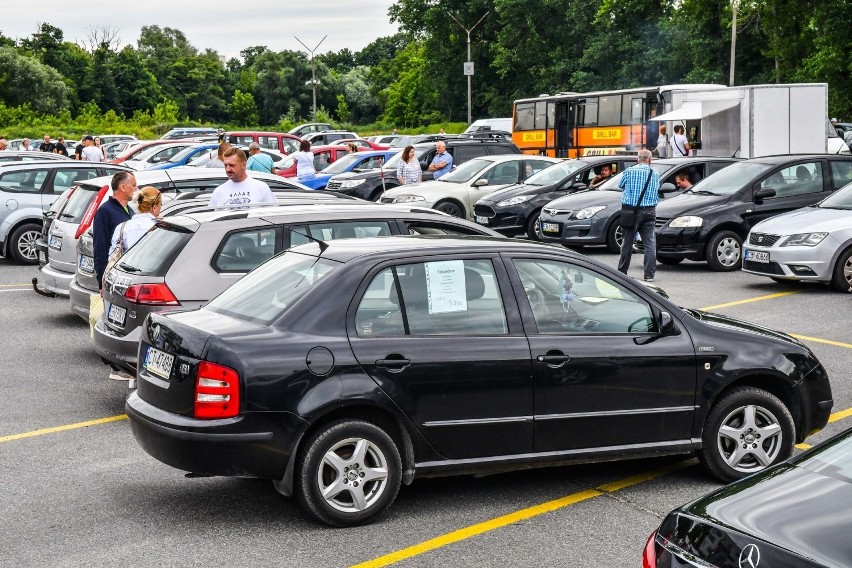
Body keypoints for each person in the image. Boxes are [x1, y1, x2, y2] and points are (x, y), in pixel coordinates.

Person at [617, 149, 661, 282]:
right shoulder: (655, 173)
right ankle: (649, 275)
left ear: (637, 159)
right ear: (650, 160)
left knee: (627, 242)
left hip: (631, 211)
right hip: (650, 211)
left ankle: (622, 272)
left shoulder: (629, 171)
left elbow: (620, 185)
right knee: (649, 243)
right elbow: (656, 190)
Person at [94, 171, 136, 290]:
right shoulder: (105, 212)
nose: (136, 188)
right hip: (111, 275)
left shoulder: (130, 210)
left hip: (126, 274)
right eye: (133, 185)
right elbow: (100, 247)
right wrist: (101, 281)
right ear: (123, 187)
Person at [208, 147, 276, 208]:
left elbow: (272, 215)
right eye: (226, 165)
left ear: (244, 165)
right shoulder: (219, 192)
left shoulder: (261, 188)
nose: (228, 169)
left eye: (232, 165)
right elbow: (210, 218)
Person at [110, 186, 161, 255]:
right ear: (154, 207)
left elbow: (113, 255)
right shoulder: (159, 229)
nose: (161, 207)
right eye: (160, 204)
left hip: (124, 265)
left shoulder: (122, 227)